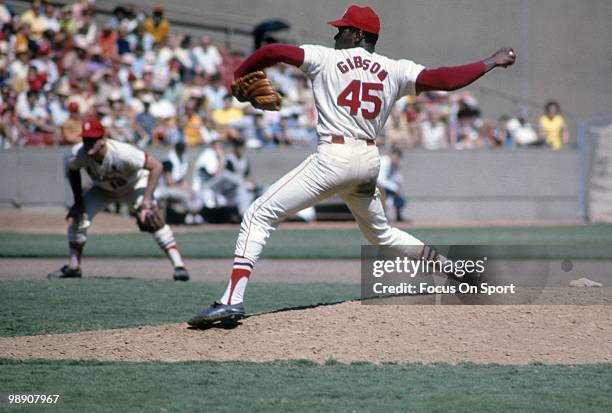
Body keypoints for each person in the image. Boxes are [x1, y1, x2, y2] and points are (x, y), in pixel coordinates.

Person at [188, 4, 515, 325]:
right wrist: (490, 62)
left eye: (342, 30)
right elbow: (444, 79)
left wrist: (239, 72)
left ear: (358, 34)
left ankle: (232, 301)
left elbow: (273, 50)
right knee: (382, 235)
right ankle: (454, 270)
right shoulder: (395, 69)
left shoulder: (325, 58)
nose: (336, 35)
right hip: (368, 161)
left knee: (259, 214)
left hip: (334, 158)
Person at [48, 116, 190, 281]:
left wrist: (146, 200)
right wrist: (78, 203)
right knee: (78, 218)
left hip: (133, 185)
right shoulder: (79, 153)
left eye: (93, 139)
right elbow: (73, 170)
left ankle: (179, 266)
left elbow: (156, 166)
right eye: (86, 139)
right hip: (103, 189)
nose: (88, 143)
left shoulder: (123, 152)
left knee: (152, 218)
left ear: (103, 139)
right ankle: (74, 266)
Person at [378, 147, 407, 222]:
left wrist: (397, 168)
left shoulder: (394, 165)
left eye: (398, 158)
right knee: (383, 190)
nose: (396, 159)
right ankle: (382, 216)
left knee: (399, 196)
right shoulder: (384, 161)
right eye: (395, 157)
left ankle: (398, 216)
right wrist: (394, 187)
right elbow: (380, 180)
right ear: (391, 155)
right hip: (374, 186)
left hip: (385, 188)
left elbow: (399, 180)